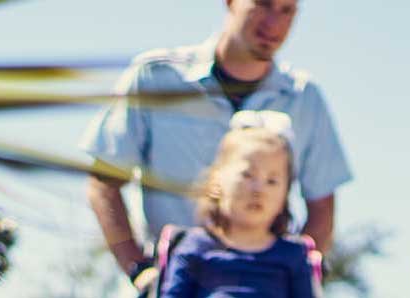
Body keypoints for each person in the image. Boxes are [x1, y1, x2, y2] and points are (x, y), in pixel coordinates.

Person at [77, 0, 351, 288]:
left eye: (287, 10)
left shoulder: (305, 97)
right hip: (170, 284)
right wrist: (140, 271)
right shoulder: (155, 77)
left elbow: (322, 209)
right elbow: (103, 184)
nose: (274, 23)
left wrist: (291, 276)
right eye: (263, 4)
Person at [155, 111, 323, 298]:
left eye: (272, 181)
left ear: (285, 194)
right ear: (218, 181)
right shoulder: (196, 246)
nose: (259, 189)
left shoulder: (292, 255)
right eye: (247, 175)